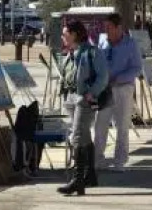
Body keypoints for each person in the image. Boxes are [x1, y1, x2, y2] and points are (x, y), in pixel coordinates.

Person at [58, 19, 109, 196]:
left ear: (74, 34)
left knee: (78, 136)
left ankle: (77, 181)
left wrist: (91, 93)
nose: (62, 37)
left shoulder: (92, 52)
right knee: (84, 135)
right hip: (71, 98)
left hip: (83, 99)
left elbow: (103, 76)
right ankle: (90, 175)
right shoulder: (71, 53)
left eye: (65, 34)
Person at [94, 12, 143, 170]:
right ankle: (98, 160)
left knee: (122, 125)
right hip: (104, 90)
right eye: (105, 28)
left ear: (118, 28)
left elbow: (136, 68)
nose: (106, 31)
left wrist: (118, 78)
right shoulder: (102, 42)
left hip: (123, 89)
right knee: (100, 125)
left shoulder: (131, 44)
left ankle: (120, 161)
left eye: (109, 27)